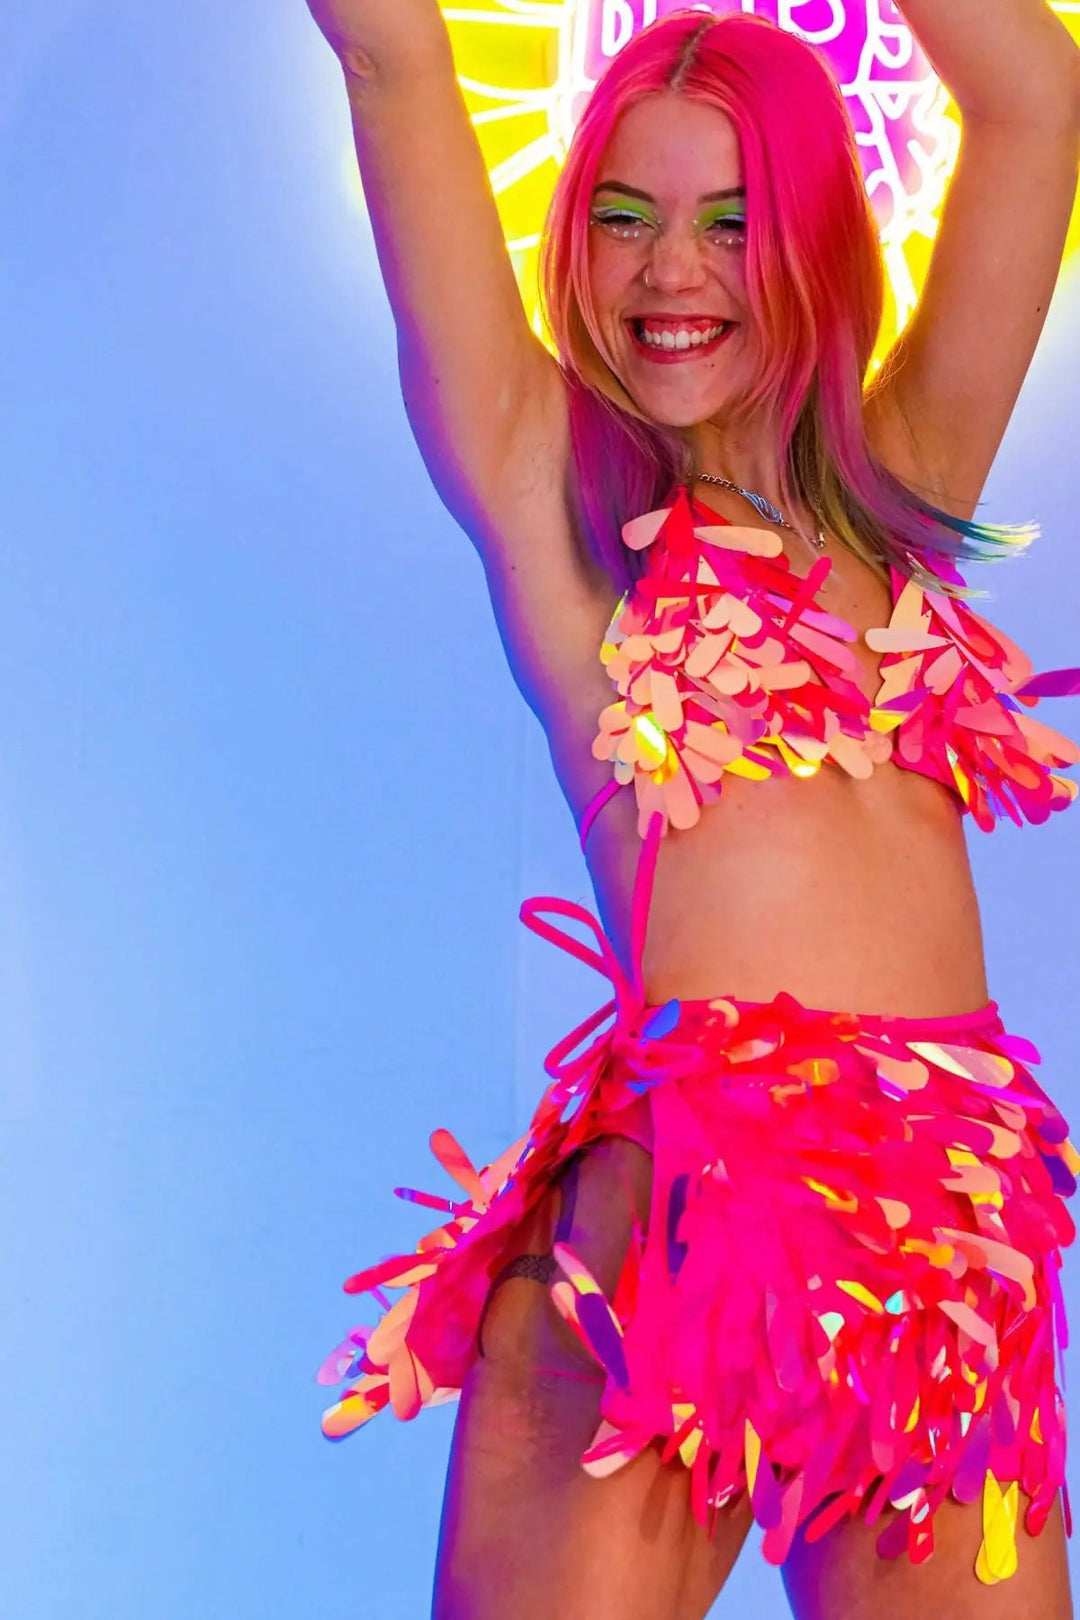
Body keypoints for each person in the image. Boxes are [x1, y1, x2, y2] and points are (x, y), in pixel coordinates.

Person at [305, 3, 1080, 1614]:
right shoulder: (554, 504)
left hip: (944, 1258)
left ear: (813, 239)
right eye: (626, 218)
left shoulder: (906, 488)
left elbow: (1032, 106)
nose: (674, 274)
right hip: (676, 1220)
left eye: (736, 223)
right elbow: (393, 55)